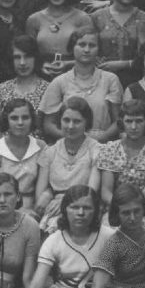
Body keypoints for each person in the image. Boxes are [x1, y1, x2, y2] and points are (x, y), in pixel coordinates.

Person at [0, 186, 110, 288]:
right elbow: (36, 285)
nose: (80, 213)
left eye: (87, 208)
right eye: (74, 207)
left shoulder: (107, 236)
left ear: (96, 211)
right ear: (65, 209)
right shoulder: (54, 240)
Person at [94, 95, 145, 215]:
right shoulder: (109, 149)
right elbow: (106, 192)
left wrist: (133, 208)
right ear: (122, 123)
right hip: (116, 208)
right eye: (129, 121)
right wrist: (121, 208)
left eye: (139, 121)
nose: (134, 127)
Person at [33, 95, 101, 231]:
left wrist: (66, 202)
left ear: (86, 123)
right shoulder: (49, 152)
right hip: (53, 208)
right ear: (60, 121)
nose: (70, 126)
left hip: (84, 208)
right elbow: (40, 197)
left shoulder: (96, 150)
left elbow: (91, 192)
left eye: (77, 121)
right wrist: (47, 194)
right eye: (66, 120)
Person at [26, 0, 95, 82]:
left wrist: (67, 64)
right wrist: (41, 65)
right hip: (42, 78)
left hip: (75, 79)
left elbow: (91, 55)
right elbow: (29, 54)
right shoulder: (34, 20)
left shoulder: (82, 18)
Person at [0, 95, 47, 204]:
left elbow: (45, 184)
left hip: (33, 206)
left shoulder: (41, 147)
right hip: (2, 205)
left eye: (25, 117)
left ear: (32, 119)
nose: (20, 122)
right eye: (14, 118)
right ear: (6, 120)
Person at [0, 35, 48, 135]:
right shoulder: (2, 89)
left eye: (27, 57)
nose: (22, 63)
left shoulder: (48, 89)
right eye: (17, 57)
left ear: (35, 58)